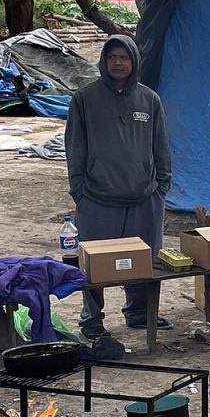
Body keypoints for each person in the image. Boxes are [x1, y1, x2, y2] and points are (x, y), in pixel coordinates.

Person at [66, 35, 172, 338]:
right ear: (103, 60)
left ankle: (139, 314)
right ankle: (91, 321)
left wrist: (161, 186)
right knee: (92, 264)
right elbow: (75, 147)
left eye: (124, 57)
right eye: (112, 56)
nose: (117, 62)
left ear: (134, 61)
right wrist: (80, 192)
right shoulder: (85, 98)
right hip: (97, 200)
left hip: (144, 198)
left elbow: (161, 146)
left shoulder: (149, 99)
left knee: (145, 261)